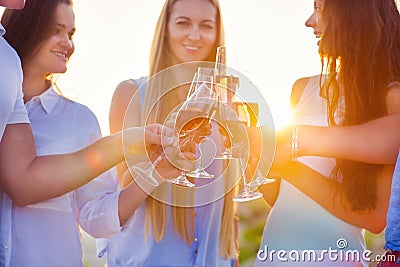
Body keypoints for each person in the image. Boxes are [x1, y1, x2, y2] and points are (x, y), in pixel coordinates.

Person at [0, 0, 193, 266]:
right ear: (27, 26)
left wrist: (155, 173)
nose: (68, 44)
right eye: (56, 30)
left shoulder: (79, 121)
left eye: (70, 34)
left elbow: (96, 218)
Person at [254, 0, 400, 266]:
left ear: (355, 15)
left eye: (320, 9)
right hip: (273, 254)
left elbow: (374, 217)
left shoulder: (390, 98)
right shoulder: (302, 88)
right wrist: (260, 167)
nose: (309, 21)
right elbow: (282, 197)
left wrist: (288, 167)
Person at [105, 0, 238, 266]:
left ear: (216, 34)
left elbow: (226, 197)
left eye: (206, 26)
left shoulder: (225, 103)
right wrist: (171, 144)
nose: (195, 35)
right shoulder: (132, 95)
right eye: (183, 23)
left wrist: (231, 255)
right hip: (148, 259)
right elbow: (123, 191)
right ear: (165, 28)